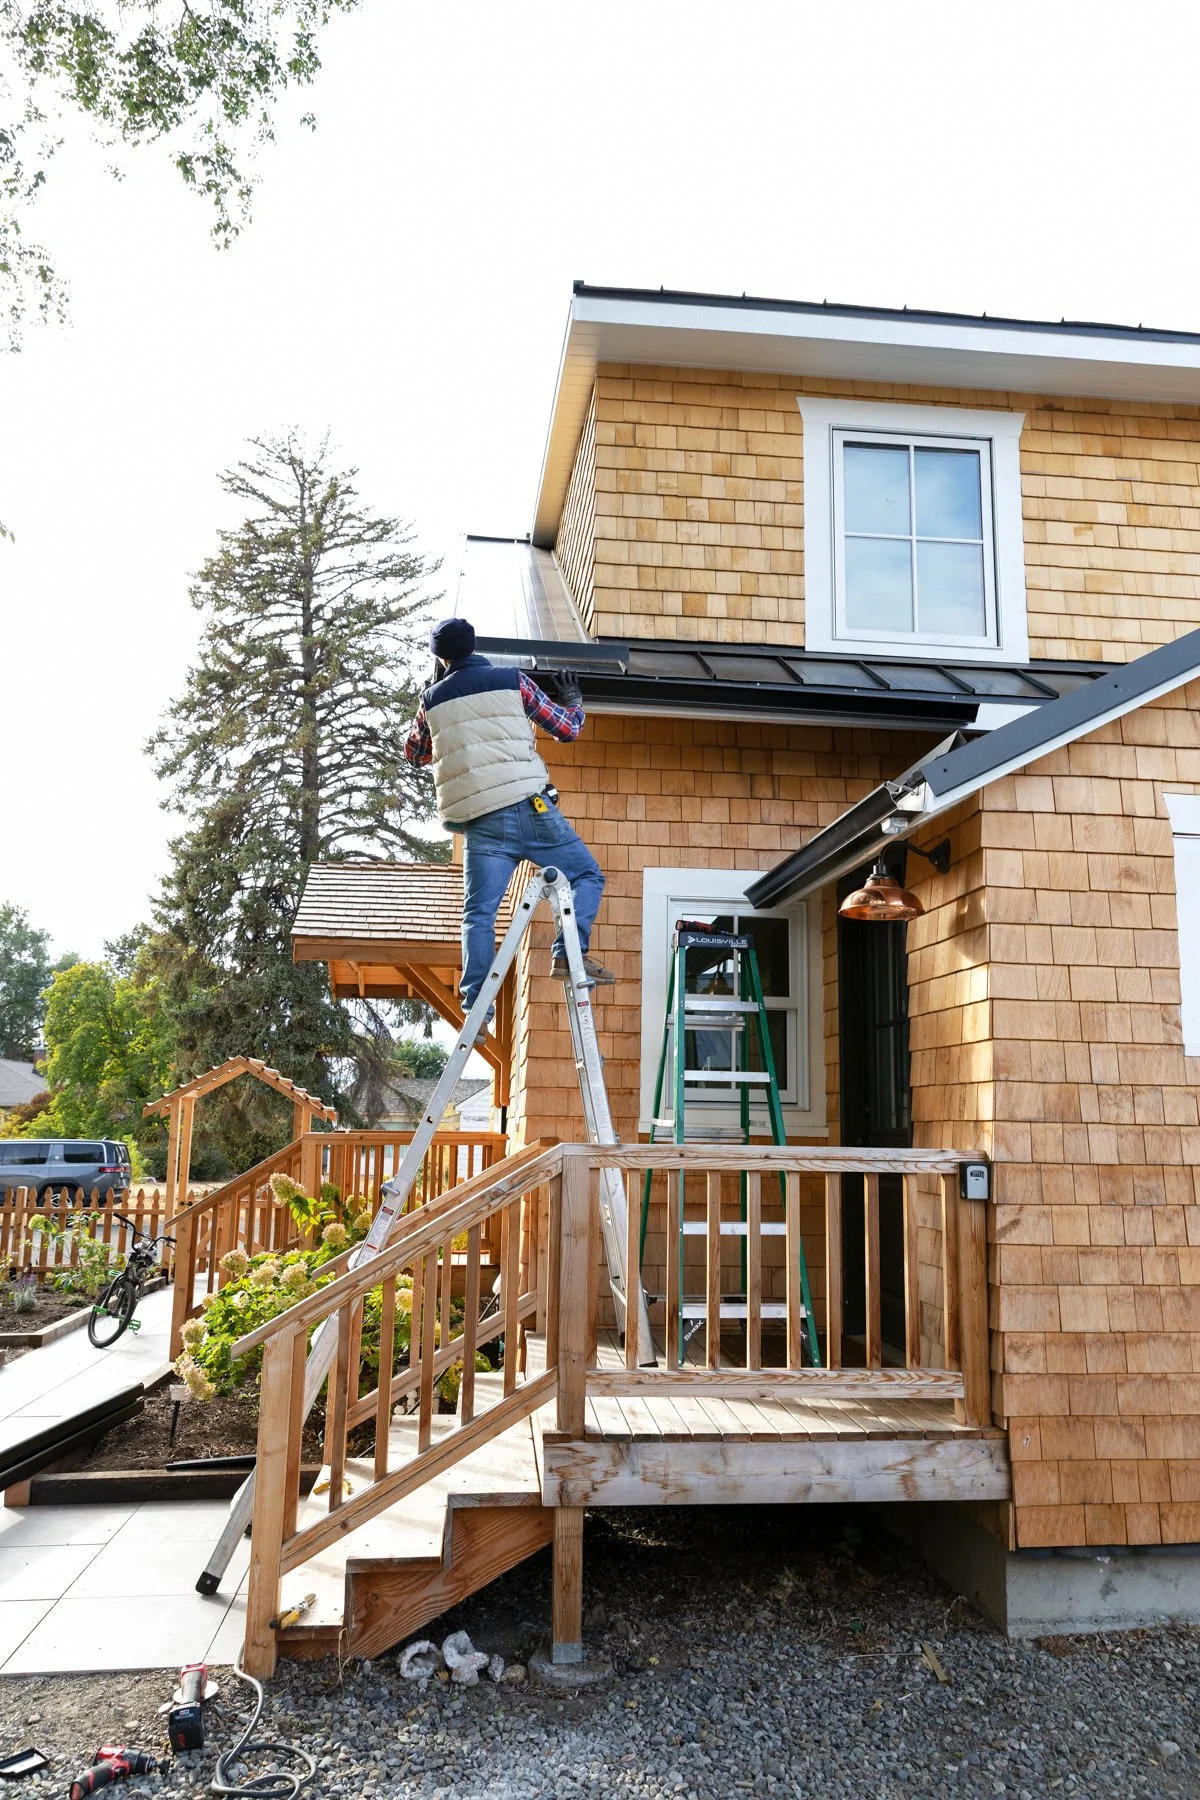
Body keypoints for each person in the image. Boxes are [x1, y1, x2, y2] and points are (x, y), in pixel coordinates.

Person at [404, 617, 613, 1041]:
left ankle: (477, 1012)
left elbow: (416, 754)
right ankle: (567, 955)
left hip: (481, 822)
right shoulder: (513, 680)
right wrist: (573, 699)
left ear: (440, 657)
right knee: (587, 874)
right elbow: (568, 729)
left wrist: (434, 698)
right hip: (530, 809)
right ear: (475, 643)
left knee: (478, 915)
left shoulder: (431, 700)